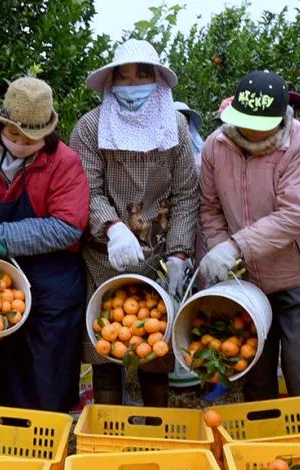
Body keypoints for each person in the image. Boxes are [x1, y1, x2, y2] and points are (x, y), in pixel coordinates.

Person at [69, 39, 199, 407]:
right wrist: (112, 227)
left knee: (155, 345)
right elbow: (87, 188)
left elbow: (187, 193)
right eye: (124, 78)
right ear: (111, 83)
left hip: (157, 252)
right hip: (105, 254)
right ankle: (110, 427)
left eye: (142, 76)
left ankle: (155, 425)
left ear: (157, 81)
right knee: (107, 343)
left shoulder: (172, 126)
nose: (133, 86)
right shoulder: (90, 128)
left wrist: (178, 251)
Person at [198, 71, 300, 401]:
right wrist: (218, 247)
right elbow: (209, 206)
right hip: (250, 275)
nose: (250, 132)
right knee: (254, 359)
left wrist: (235, 246)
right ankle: (263, 440)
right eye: (244, 122)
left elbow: (294, 215)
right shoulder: (216, 147)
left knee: (298, 359)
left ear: (279, 119)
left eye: (259, 125)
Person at [0, 77, 89, 411]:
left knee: (48, 369)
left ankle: (49, 438)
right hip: (3, 279)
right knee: (8, 361)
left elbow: (69, 226)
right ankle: (8, 442)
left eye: (30, 138)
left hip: (54, 280)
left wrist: (9, 236)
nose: (20, 143)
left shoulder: (65, 162)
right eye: (13, 134)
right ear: (0, 125)